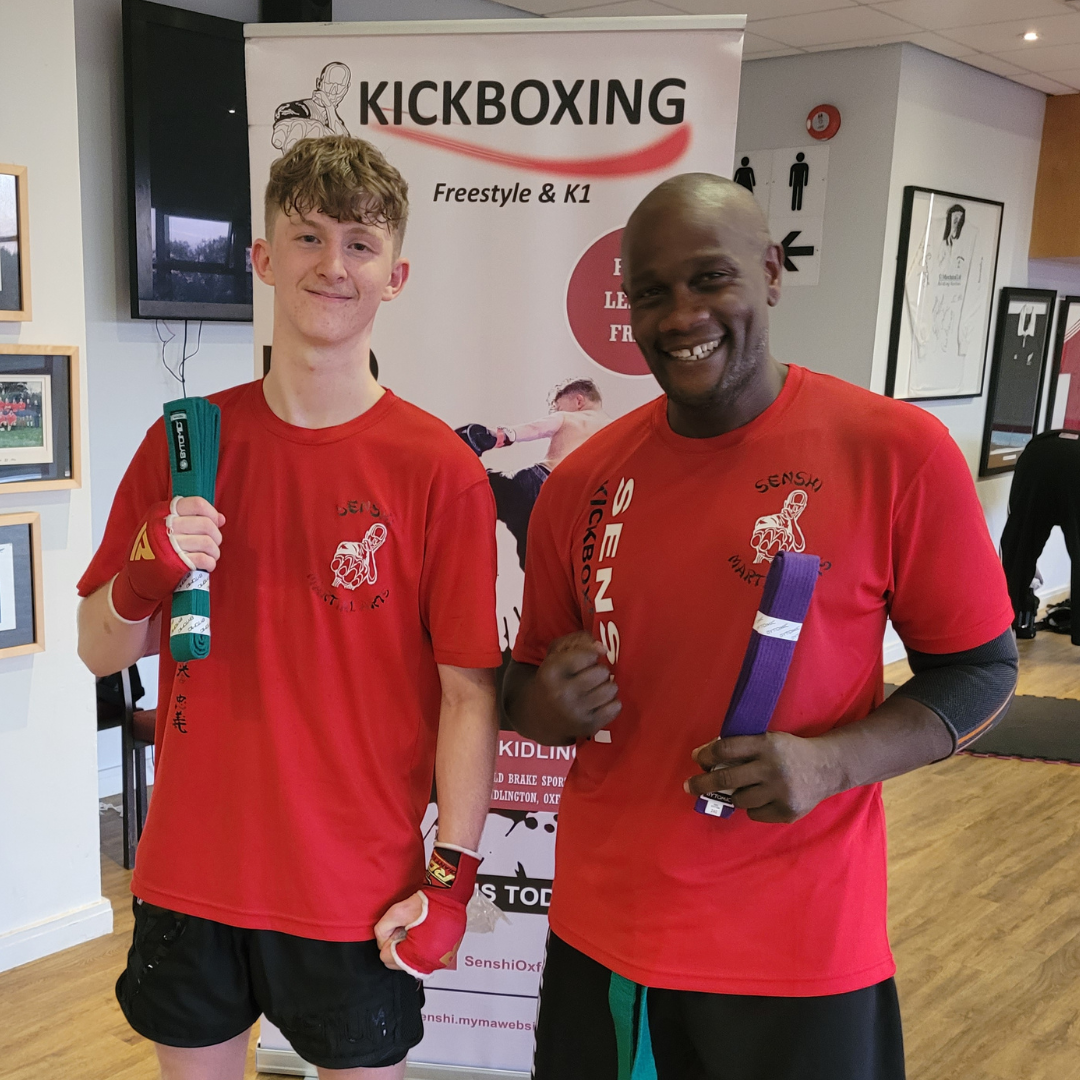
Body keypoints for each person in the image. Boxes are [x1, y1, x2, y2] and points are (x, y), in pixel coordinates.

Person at [503, 173, 1018, 1080]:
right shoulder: (582, 486)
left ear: (772, 274)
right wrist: (543, 707)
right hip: (609, 941)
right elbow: (522, 681)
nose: (680, 315)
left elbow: (980, 672)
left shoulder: (894, 452)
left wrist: (832, 763)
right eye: (651, 293)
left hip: (800, 951)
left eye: (711, 279)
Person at [76, 135, 502, 1080]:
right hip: (193, 875)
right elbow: (99, 651)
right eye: (307, 237)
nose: (333, 264)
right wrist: (147, 565)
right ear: (263, 260)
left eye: (359, 242)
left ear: (395, 274)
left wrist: (453, 883)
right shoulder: (186, 442)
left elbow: (471, 696)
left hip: (355, 886)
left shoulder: (439, 470)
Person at [456, 378, 611, 569]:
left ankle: (454, 468)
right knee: (534, 560)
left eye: (559, 407)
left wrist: (499, 436)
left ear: (579, 401)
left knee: (484, 486)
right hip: (564, 506)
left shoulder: (571, 418)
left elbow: (535, 429)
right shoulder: (616, 431)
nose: (557, 412)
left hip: (536, 483)